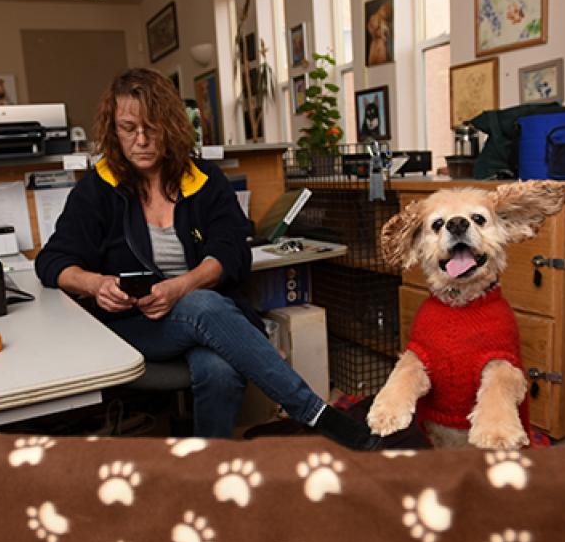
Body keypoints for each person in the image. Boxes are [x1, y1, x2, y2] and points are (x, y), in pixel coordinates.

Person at [35, 68, 379, 450]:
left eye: (152, 128)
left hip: (207, 316)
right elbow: (52, 262)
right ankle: (316, 414)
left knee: (218, 367)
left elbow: (233, 253)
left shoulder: (204, 179)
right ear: (114, 130)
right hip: (134, 326)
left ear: (171, 127)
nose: (141, 140)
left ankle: (210, 466)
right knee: (202, 305)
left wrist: (182, 286)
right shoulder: (97, 190)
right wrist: (95, 284)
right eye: (128, 128)